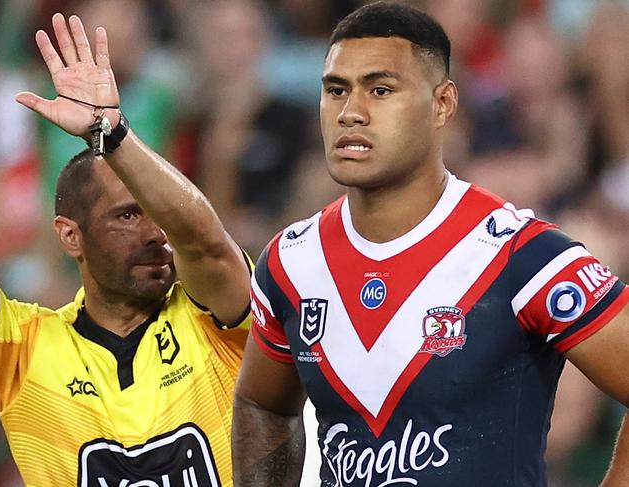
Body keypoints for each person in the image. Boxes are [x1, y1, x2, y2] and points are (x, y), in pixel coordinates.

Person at [232, 3, 629, 486]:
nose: (351, 112)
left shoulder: (520, 255)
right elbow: (261, 404)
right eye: (336, 90)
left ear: (442, 104)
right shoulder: (289, 264)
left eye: (380, 90)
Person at [0, 13, 251, 487]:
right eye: (127, 215)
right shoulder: (20, 349)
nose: (155, 231)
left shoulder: (213, 321)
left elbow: (205, 244)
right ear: (70, 236)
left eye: (157, 211)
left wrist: (113, 132)